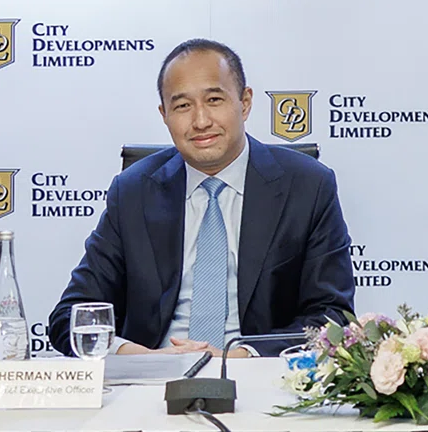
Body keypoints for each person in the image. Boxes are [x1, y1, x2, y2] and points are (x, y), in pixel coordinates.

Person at [49, 39, 355, 357]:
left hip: (259, 382)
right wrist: (142, 358)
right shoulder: (132, 192)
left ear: (245, 102)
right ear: (164, 114)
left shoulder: (307, 186)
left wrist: (242, 357)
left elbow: (331, 319)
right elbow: (70, 316)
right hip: (152, 385)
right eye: (182, 106)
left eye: (214, 100)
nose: (200, 121)